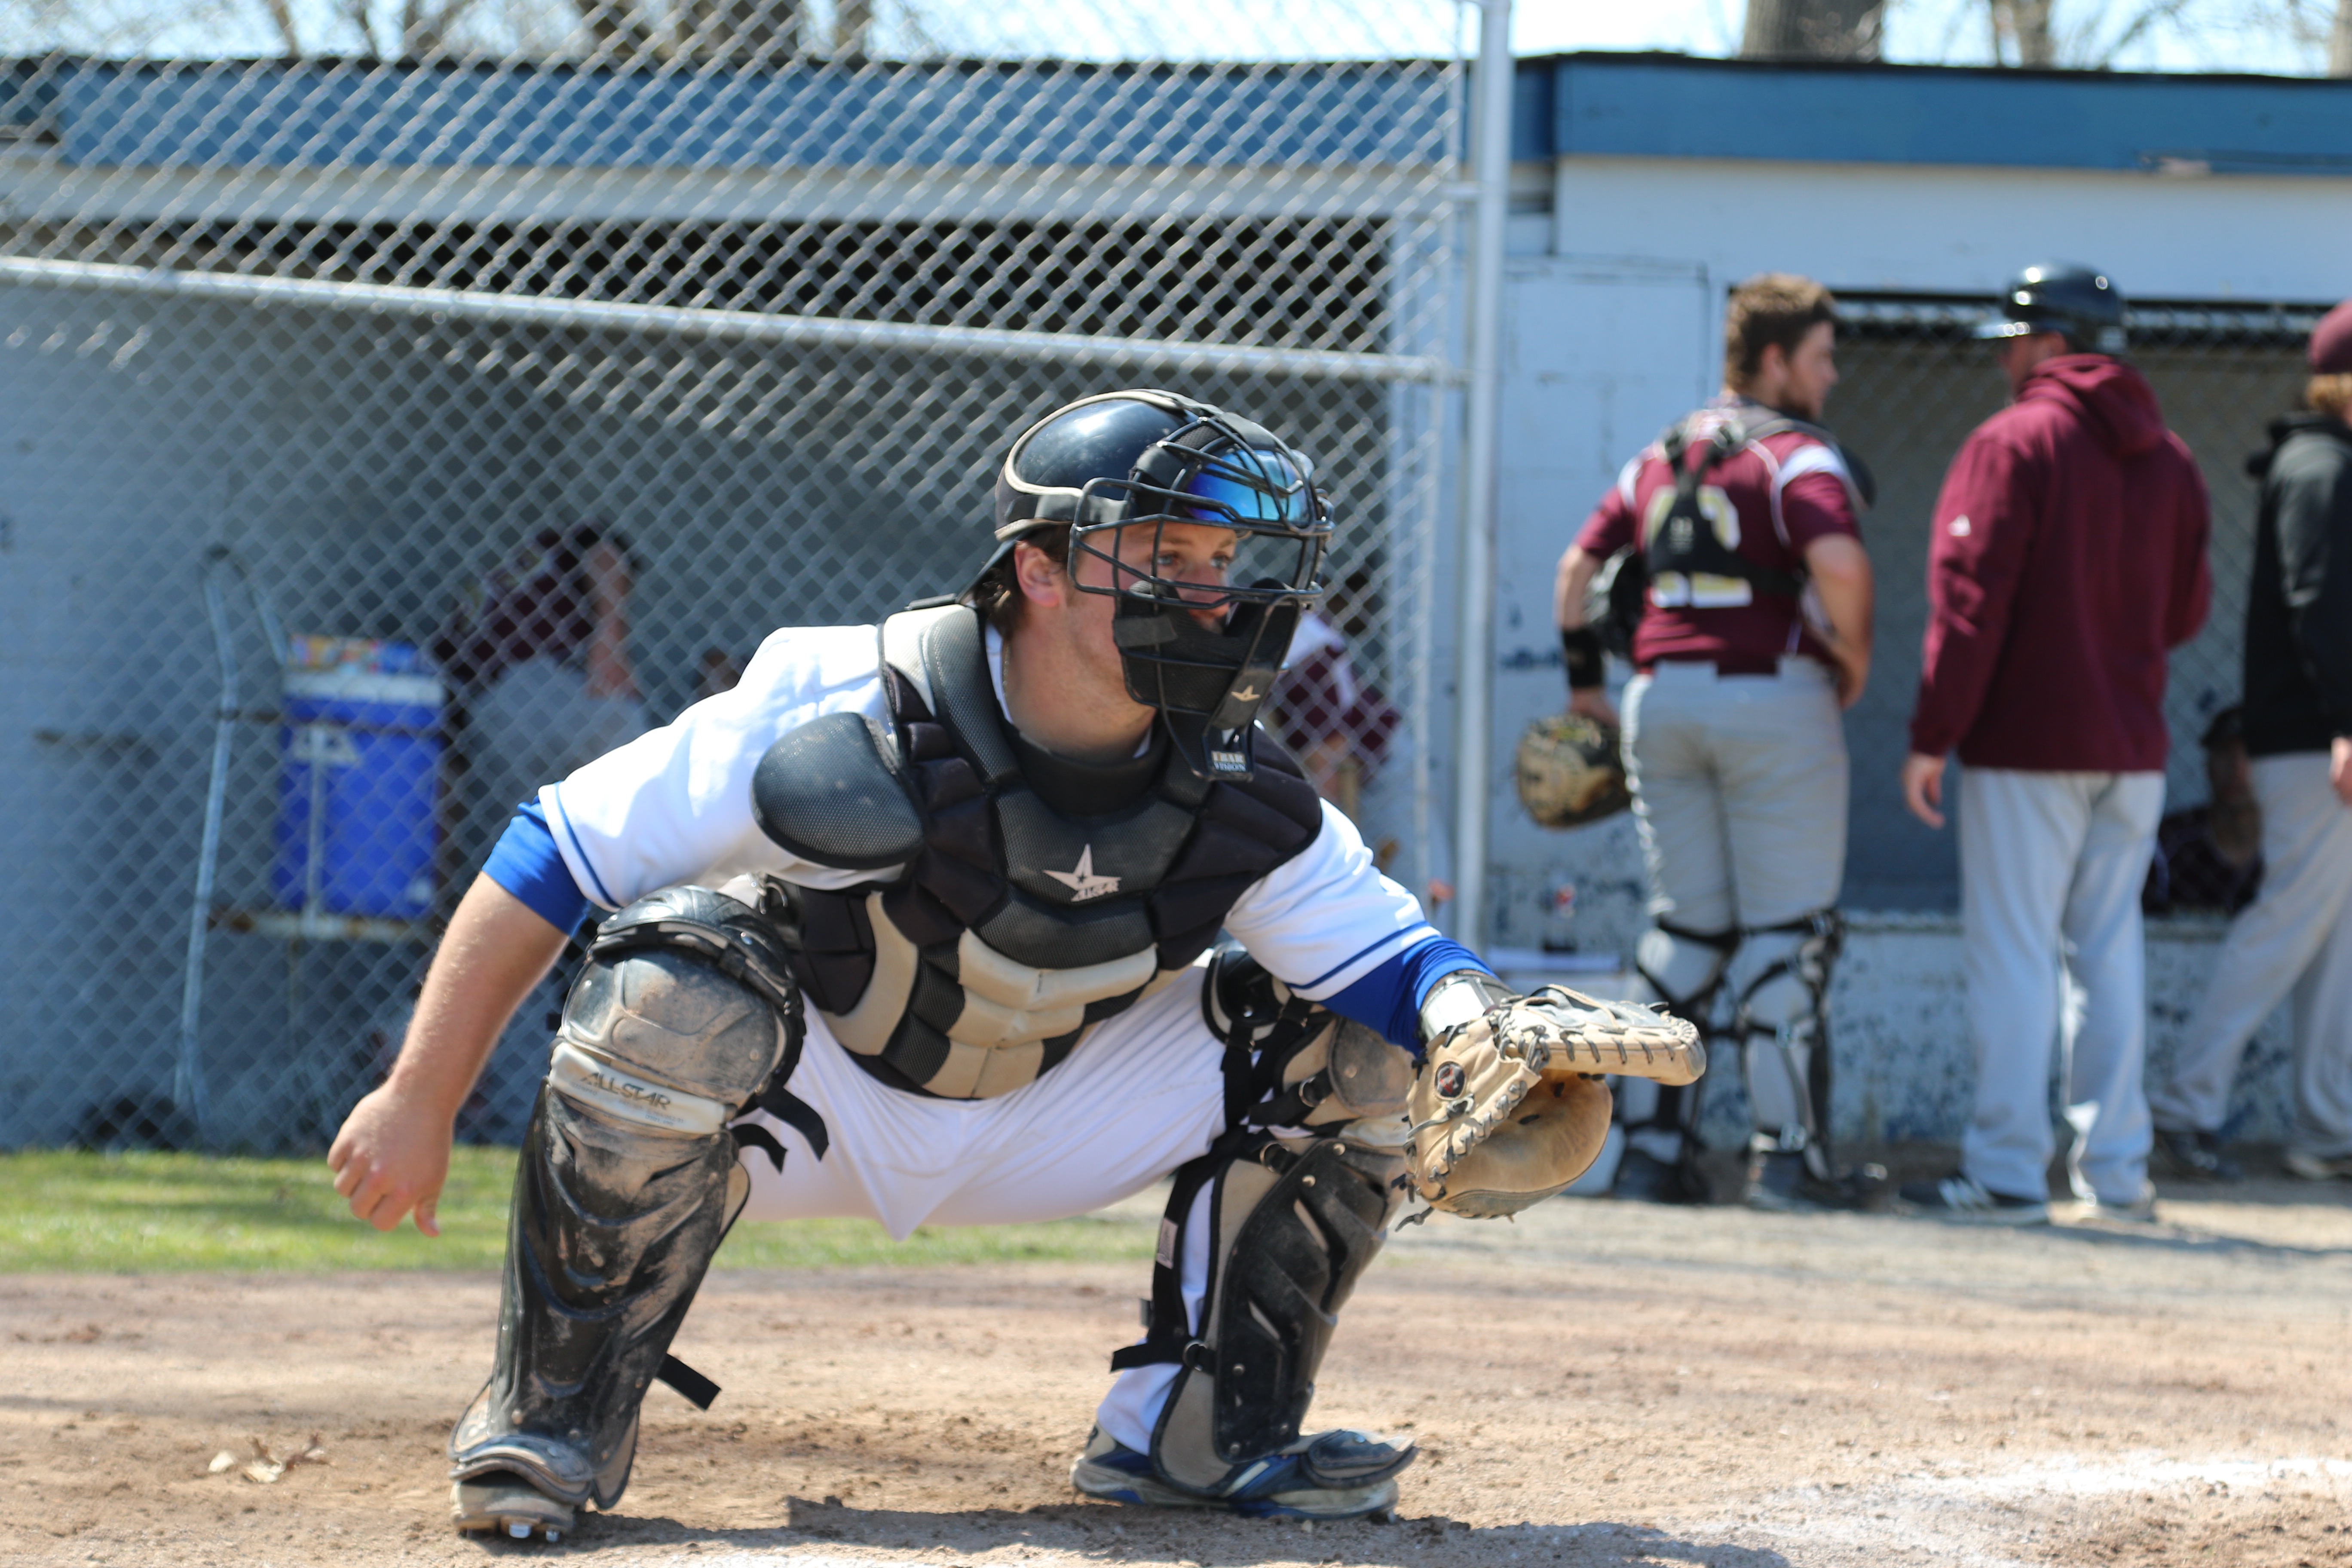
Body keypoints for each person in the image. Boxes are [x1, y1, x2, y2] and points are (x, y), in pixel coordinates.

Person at [325, 390, 1698, 1542]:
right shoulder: (846, 699)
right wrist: (419, 1096)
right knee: (669, 980)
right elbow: (553, 853)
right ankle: (552, 1419)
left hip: (1062, 1110)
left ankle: (1203, 1435)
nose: (1210, 595)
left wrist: (1476, 1020)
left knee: (1364, 1041)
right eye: (1167, 554)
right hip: (816, 1107)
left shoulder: (1241, 774)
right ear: (1038, 566)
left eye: (1228, 564)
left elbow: (1393, 959)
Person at [1552, 273, 1875, 1210]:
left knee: (1687, 931)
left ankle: (1651, 1156)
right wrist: (1853, 658)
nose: (1832, 376)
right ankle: (1786, 1164)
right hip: (1773, 698)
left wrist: (1584, 684)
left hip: (1660, 700)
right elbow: (1842, 564)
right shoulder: (1797, 457)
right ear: (1774, 359)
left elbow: (1578, 569)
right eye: (1821, 357)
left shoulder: (1660, 450)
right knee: (1788, 937)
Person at [1899, 263, 2211, 1224]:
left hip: (2027, 740)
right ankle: (2117, 1175)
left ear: (2050, 343)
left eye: (2015, 341)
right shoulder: (2172, 456)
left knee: (2016, 952)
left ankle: (2005, 1172)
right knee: (2108, 952)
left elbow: (1968, 604)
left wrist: (1933, 733)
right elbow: (2189, 611)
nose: (2005, 357)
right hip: (2132, 744)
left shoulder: (2014, 441)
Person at [2148, 301, 2352, 1185]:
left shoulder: (2326, 460)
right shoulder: (2321, 466)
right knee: (2287, 923)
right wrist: (2348, 723)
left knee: (2333, 936)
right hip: (2318, 740)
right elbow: (2322, 610)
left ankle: (2327, 1127)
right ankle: (2184, 1107)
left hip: (2322, 737)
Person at [429, 521, 653, 1140]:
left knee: (504, 914)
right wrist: (611, 646)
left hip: (491, 711)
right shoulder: (574, 554)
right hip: (533, 699)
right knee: (624, 734)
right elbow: (606, 559)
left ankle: (476, 1089)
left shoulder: (506, 577)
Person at [2139, 707, 2263, 920]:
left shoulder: (2292, 842)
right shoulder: (2168, 842)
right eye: (2225, 752)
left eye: (2251, 753)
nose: (2237, 768)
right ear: (2208, 763)